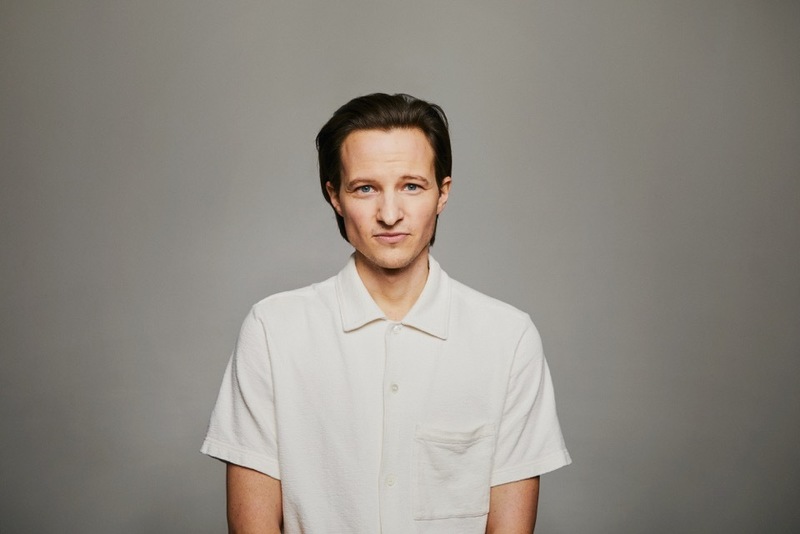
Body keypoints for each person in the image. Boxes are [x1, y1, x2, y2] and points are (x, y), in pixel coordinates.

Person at [201, 93, 571, 533]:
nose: (390, 214)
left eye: (411, 186)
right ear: (335, 196)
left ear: (442, 193)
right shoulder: (273, 332)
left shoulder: (507, 339)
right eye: (365, 188)